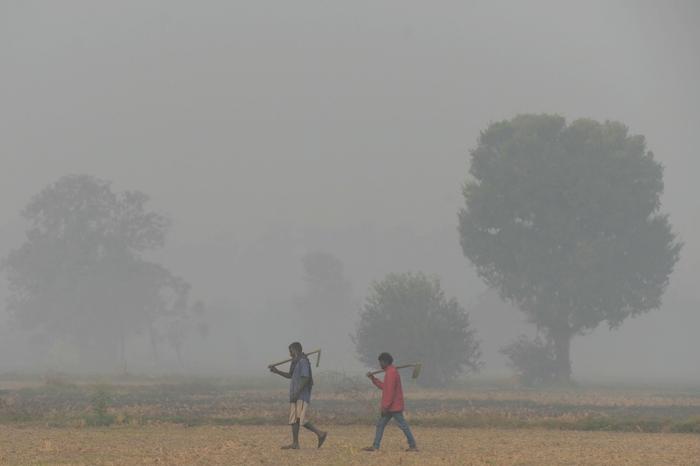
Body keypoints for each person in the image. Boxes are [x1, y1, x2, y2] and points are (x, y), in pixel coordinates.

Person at [269, 342, 328, 449]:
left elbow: (306, 378)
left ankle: (320, 433)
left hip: (301, 395)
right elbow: (290, 375)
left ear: (295, 350)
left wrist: (297, 392)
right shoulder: (295, 362)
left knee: (301, 418)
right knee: (294, 419)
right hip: (295, 394)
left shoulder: (303, 361)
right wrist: (277, 371)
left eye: (291, 351)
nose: (290, 354)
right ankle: (295, 443)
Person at [362, 352, 418, 452]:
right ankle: (375, 446)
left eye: (381, 362)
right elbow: (385, 387)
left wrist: (385, 407)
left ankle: (413, 445)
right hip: (392, 406)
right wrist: (373, 379)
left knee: (403, 426)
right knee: (381, 425)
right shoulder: (390, 371)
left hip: (393, 406)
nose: (380, 365)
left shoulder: (391, 373)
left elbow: (389, 392)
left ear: (385, 362)